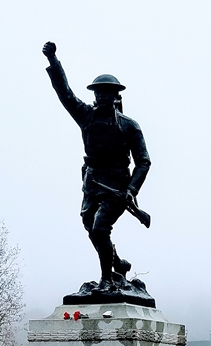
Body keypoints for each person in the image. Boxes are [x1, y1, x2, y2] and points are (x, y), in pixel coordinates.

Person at [42, 41, 151, 292]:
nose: (102, 96)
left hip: (117, 185)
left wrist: (131, 190)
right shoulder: (86, 116)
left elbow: (144, 161)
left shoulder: (129, 126)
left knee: (101, 228)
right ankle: (117, 263)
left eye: (107, 93)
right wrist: (53, 61)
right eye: (98, 92)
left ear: (116, 96)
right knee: (91, 227)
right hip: (92, 182)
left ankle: (107, 280)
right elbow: (65, 93)